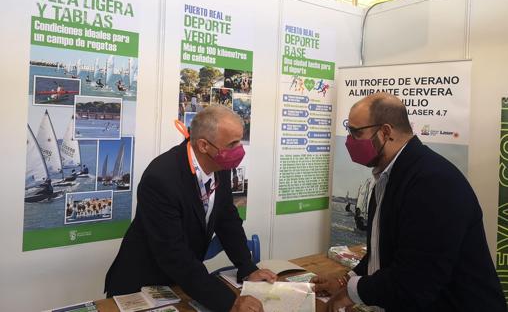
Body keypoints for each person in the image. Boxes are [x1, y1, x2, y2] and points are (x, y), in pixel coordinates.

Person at [312, 93, 505, 312]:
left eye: (356, 132)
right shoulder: (387, 178)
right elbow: (382, 251)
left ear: (385, 132)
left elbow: (415, 281)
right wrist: (344, 281)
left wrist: (351, 292)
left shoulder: (432, 182)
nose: (349, 141)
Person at [104, 106, 276, 311]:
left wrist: (247, 268)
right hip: (142, 285)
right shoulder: (161, 177)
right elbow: (173, 253)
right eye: (233, 144)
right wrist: (230, 302)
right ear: (204, 145)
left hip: (183, 283)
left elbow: (227, 220)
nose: (239, 150)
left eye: (240, 140)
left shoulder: (220, 167)